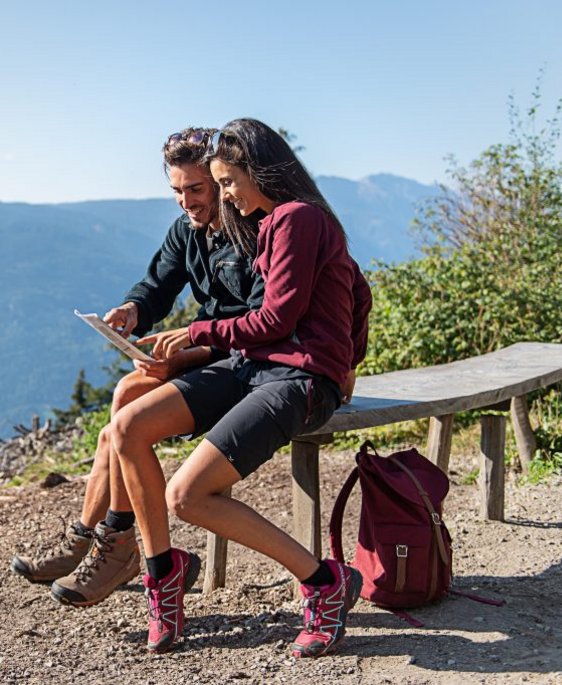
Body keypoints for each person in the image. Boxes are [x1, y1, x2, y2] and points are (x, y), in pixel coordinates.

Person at [109, 118, 372, 657]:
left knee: (186, 496)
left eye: (226, 182)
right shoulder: (276, 224)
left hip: (298, 380)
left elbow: (275, 319)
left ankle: (324, 582)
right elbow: (358, 289)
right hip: (253, 368)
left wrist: (196, 332)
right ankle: (164, 574)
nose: (224, 194)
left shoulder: (298, 219)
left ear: (257, 171)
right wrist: (351, 353)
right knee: (128, 427)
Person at [10, 127, 264, 606]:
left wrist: (184, 355)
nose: (187, 202)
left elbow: (254, 325)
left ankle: (111, 541)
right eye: (177, 191)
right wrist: (132, 311)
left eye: (197, 189)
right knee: (125, 397)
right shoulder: (186, 232)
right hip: (208, 352)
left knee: (128, 403)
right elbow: (156, 285)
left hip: (243, 364)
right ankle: (93, 538)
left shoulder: (251, 232)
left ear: (218, 180)